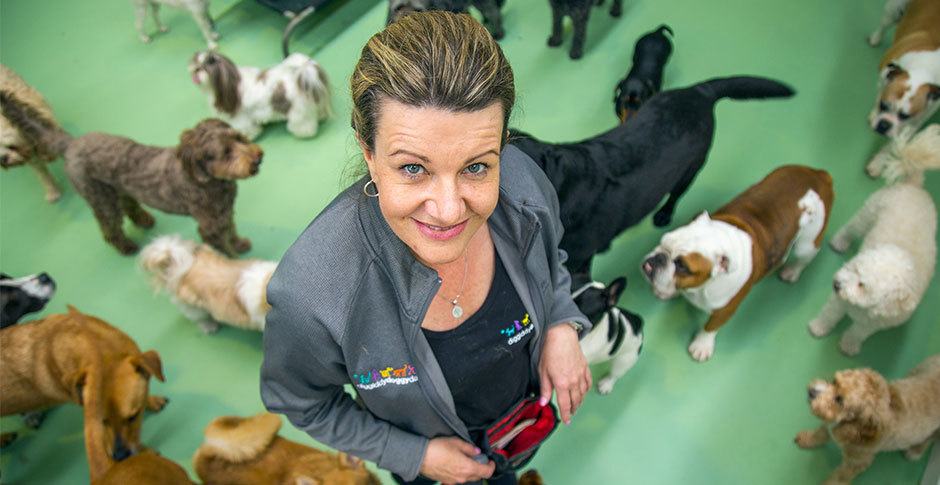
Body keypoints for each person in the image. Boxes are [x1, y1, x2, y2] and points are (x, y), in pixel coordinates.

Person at [260, 11, 592, 485]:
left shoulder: (525, 190)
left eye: (477, 167)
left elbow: (551, 262)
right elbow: (301, 402)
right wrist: (414, 455)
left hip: (516, 426)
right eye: (413, 168)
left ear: (502, 147)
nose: (449, 210)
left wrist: (560, 323)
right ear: (369, 153)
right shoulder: (313, 294)